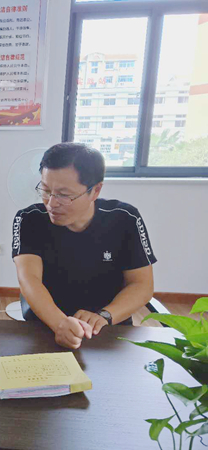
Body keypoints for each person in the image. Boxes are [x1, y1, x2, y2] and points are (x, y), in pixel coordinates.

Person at [12, 143, 156, 349]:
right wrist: (60, 323)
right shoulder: (29, 219)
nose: (51, 203)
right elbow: (29, 280)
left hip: (108, 330)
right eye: (45, 190)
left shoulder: (125, 219)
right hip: (46, 326)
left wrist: (104, 316)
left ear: (95, 190)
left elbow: (141, 285)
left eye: (64, 195)